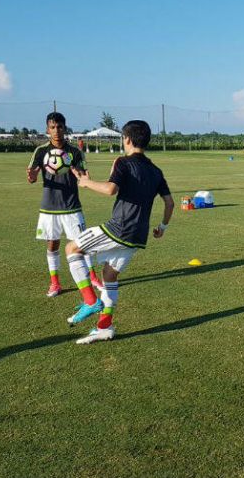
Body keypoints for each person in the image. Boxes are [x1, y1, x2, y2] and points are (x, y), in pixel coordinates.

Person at [64, 120, 174, 344]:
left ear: (127, 139)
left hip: (119, 228)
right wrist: (162, 227)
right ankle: (105, 326)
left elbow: (110, 189)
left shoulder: (122, 162)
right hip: (138, 235)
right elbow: (170, 203)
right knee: (109, 274)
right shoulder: (156, 170)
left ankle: (90, 301)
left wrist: (85, 182)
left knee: (71, 248)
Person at [27, 112, 103, 298]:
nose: (56, 131)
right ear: (47, 129)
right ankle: (55, 283)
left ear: (65, 128)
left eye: (59, 127)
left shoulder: (74, 152)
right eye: (52, 127)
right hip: (49, 207)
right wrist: (32, 176)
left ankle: (92, 277)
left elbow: (85, 177)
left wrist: (82, 175)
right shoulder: (41, 151)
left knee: (82, 244)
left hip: (71, 207)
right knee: (52, 244)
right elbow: (32, 176)